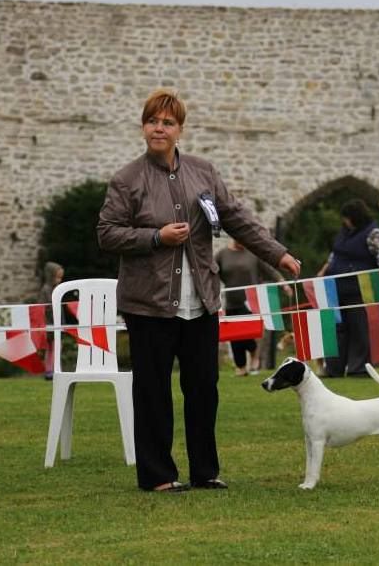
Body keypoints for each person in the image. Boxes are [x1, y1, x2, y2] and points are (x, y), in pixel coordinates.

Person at [97, 88, 300, 493]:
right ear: (143, 127)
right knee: (153, 393)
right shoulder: (127, 179)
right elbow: (107, 233)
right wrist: (156, 237)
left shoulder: (204, 171)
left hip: (202, 300)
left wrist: (278, 255)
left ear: (180, 130)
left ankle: (205, 472)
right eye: (153, 121)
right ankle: (158, 476)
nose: (159, 128)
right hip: (149, 304)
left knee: (204, 389)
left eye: (167, 122)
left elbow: (237, 218)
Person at [319, 199, 379, 377]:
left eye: (347, 218)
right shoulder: (343, 233)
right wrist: (323, 271)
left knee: (360, 329)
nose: (345, 221)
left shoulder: (374, 233)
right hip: (336, 287)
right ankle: (333, 368)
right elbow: (334, 255)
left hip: (360, 289)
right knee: (337, 328)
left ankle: (358, 368)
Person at [216, 239, 291, 376]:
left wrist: (283, 283)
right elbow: (213, 271)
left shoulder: (253, 254)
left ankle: (254, 351)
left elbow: (269, 270)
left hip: (251, 302)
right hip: (232, 301)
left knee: (247, 335)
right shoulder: (222, 254)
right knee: (235, 337)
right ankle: (241, 367)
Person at [37, 261, 64, 381]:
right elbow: (42, 306)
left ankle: (54, 369)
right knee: (50, 348)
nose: (60, 279)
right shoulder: (46, 290)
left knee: (55, 347)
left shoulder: (57, 289)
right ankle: (49, 371)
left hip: (57, 323)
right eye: (58, 277)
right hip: (49, 323)